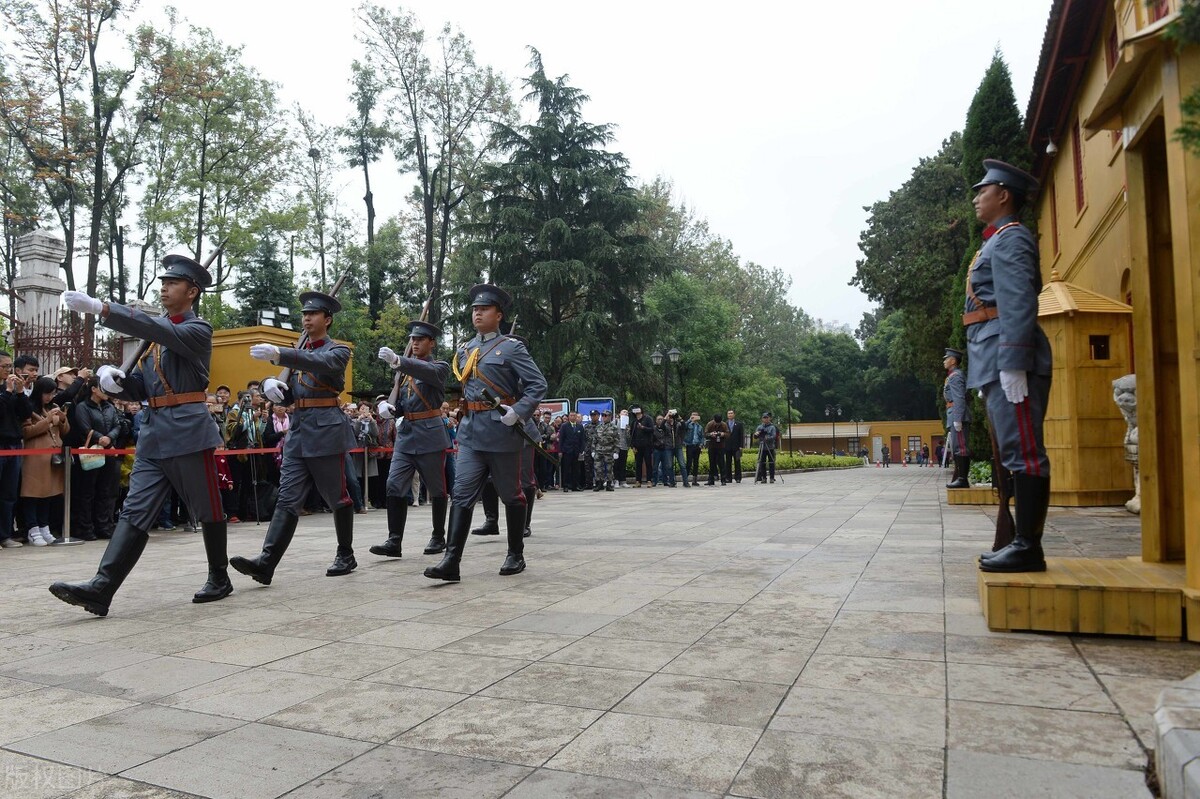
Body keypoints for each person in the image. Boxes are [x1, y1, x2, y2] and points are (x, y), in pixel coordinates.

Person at [49, 256, 229, 615]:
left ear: (192, 292)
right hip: (154, 433)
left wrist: (104, 308)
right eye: (162, 282)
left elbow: (161, 330)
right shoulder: (154, 341)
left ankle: (219, 575)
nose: (163, 287)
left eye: (173, 283)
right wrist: (118, 384)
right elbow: (144, 389)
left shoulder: (196, 330)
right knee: (135, 510)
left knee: (208, 506)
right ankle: (102, 587)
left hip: (188, 431)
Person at [230, 291, 358, 585]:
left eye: (313, 314)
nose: (306, 319)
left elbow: (324, 365)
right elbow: (286, 392)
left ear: (327, 319)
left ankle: (345, 553)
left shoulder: (337, 351)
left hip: (326, 432)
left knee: (336, 496)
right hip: (299, 433)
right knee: (287, 498)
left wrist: (280, 354)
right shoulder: (298, 354)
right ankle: (267, 561)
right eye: (304, 314)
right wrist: (268, 383)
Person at [425, 283, 547, 582]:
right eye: (474, 310)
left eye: (484, 309)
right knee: (462, 495)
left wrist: (518, 411)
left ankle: (515, 553)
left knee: (511, 495)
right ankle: (451, 560)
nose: (477, 314)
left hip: (502, 433)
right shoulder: (465, 349)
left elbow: (537, 385)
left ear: (499, 315)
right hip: (470, 433)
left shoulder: (512, 348)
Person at [965, 160, 1053, 574]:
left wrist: (1014, 362)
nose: (976, 196)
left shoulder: (1011, 239)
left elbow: (1019, 300)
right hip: (994, 354)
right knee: (1013, 452)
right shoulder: (997, 240)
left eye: (983, 189)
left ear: (1004, 194)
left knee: (1024, 453)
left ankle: (1027, 546)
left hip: (1007, 355)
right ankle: (1019, 540)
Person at [370, 320, 450, 558]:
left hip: (430, 434)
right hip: (406, 436)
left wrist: (399, 361)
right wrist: (386, 406)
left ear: (431, 343)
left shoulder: (439, 367)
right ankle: (394, 540)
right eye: (412, 340)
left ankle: (438, 536)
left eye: (420, 339)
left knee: (436, 488)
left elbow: (425, 371)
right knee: (393, 485)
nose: (415, 343)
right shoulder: (403, 375)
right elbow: (402, 403)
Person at [20, 376, 69, 545]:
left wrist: (62, 419)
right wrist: (47, 420)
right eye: (46, 393)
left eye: (52, 393)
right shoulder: (29, 408)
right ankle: (32, 529)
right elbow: (27, 432)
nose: (49, 397)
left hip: (53, 456)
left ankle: (44, 526)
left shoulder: (54, 406)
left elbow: (64, 431)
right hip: (35, 456)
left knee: (49, 493)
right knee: (33, 493)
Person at [0, 352, 33, 549]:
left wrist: (20, 393)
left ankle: (4, 535)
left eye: (9, 367)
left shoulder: (13, 389)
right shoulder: (5, 391)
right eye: (4, 366)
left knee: (9, 493)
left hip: (13, 444)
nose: (8, 370)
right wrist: (7, 392)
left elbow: (26, 414)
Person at [943, 347, 971, 489]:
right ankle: (960, 477)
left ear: (953, 361)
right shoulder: (953, 375)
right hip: (953, 411)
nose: (944, 362)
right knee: (956, 447)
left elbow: (959, 398)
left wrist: (958, 418)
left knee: (960, 447)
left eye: (946, 359)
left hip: (956, 413)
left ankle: (962, 479)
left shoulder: (956, 376)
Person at [588, 409, 618, 491]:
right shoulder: (598, 427)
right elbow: (594, 440)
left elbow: (617, 441)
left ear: (610, 417)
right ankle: (599, 484)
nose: (604, 417)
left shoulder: (614, 427)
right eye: (603, 416)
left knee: (609, 468)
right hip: (599, 450)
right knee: (598, 468)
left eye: (606, 416)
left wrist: (616, 452)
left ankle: (609, 484)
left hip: (609, 450)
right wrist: (593, 450)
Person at [630, 406, 654, 487]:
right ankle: (638, 481)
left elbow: (652, 429)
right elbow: (632, 434)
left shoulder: (648, 419)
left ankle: (649, 480)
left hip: (647, 445)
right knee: (638, 464)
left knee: (648, 463)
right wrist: (632, 446)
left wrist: (643, 427)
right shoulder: (634, 422)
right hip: (637, 446)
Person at [753, 411, 780, 483]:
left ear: (769, 418)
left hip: (770, 447)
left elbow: (773, 436)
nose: (765, 419)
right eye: (764, 418)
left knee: (771, 463)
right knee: (762, 463)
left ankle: (772, 477)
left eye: (767, 417)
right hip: (762, 447)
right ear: (762, 419)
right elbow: (755, 436)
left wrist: (766, 438)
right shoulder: (759, 427)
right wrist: (756, 434)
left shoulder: (772, 427)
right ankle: (763, 478)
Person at [704, 413, 729, 485]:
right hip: (712, 446)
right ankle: (711, 480)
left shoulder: (724, 424)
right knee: (712, 463)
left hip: (721, 446)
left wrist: (722, 434)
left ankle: (723, 480)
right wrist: (711, 434)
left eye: (719, 423)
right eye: (716, 422)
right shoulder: (709, 424)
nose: (717, 424)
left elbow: (728, 434)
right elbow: (705, 434)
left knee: (722, 463)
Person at [723, 410, 745, 484]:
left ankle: (738, 478)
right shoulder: (724, 424)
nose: (730, 415)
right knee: (728, 462)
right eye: (728, 413)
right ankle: (728, 478)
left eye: (731, 413)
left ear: (734, 414)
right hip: (727, 446)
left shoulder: (739, 424)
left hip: (736, 446)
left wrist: (741, 446)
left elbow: (741, 436)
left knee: (737, 462)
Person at [683, 411, 704, 487]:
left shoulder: (700, 427)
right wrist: (689, 420)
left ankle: (694, 480)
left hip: (697, 446)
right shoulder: (688, 425)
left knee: (696, 463)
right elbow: (683, 427)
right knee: (689, 463)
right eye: (693, 415)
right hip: (689, 445)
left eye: (696, 415)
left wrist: (701, 445)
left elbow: (702, 437)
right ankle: (685, 480)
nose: (694, 417)